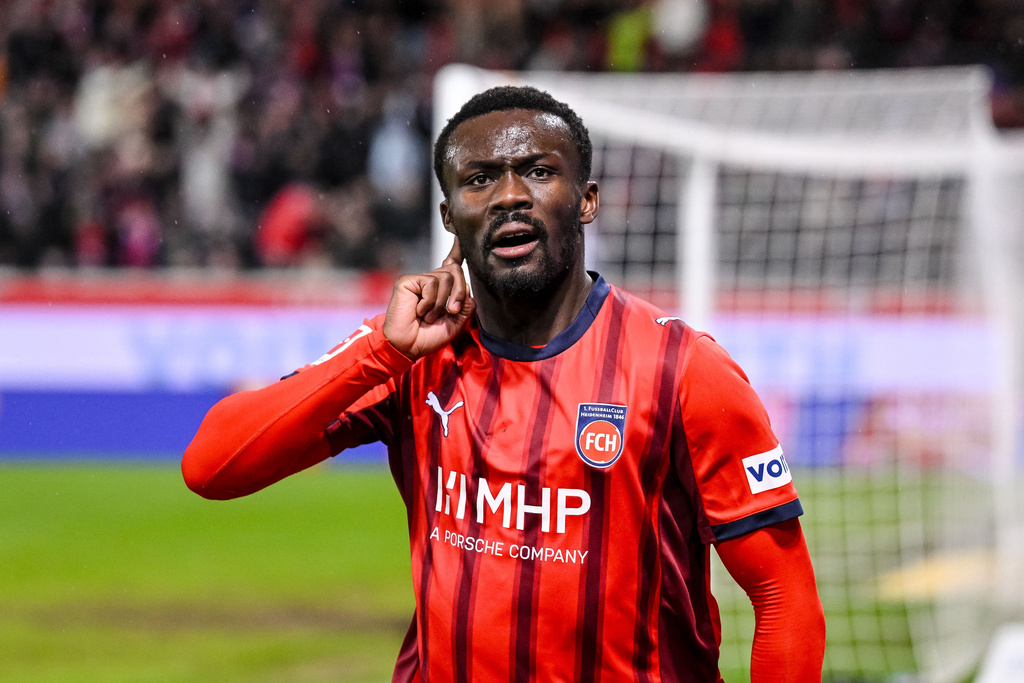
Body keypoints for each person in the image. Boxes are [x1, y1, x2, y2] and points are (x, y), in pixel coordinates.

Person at [182, 85, 826, 682]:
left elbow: (783, 596)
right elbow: (212, 467)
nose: (509, 195)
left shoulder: (683, 367)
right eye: (480, 180)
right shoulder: (408, 358)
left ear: (587, 199)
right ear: (450, 214)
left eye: (540, 172)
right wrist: (380, 352)